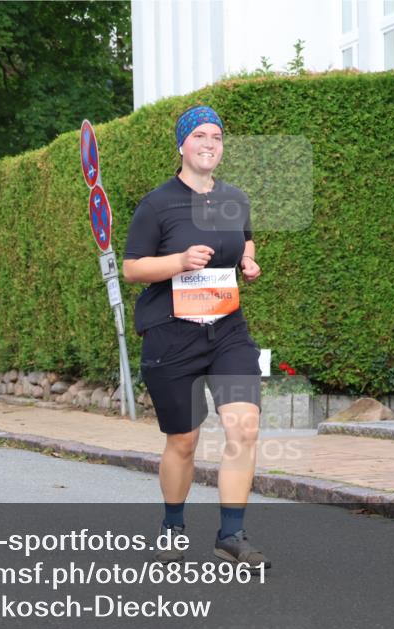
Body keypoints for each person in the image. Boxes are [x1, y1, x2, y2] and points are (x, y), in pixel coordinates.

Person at [122, 105, 270, 570]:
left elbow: (244, 238)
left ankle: (231, 536)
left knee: (243, 428)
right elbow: (132, 268)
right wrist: (180, 261)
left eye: (217, 137)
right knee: (183, 440)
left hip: (226, 330)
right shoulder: (157, 204)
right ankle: (172, 524)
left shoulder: (235, 198)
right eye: (200, 135)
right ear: (182, 144)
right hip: (172, 334)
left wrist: (247, 262)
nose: (209, 143)